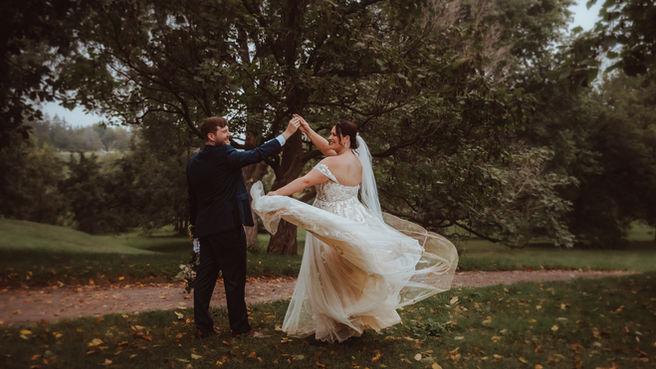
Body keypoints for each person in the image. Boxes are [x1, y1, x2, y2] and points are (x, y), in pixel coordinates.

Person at [251, 114, 458, 343]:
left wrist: (276, 193)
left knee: (330, 272)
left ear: (346, 139)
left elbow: (305, 182)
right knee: (351, 271)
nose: (329, 138)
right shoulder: (356, 159)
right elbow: (328, 149)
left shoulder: (329, 163)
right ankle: (350, 321)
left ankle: (339, 322)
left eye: (333, 135)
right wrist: (308, 131)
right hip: (355, 218)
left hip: (331, 221)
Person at [187, 116, 299, 338]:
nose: (228, 134)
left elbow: (192, 198)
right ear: (212, 136)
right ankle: (241, 329)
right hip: (228, 227)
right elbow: (257, 154)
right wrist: (286, 134)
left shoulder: (194, 162)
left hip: (206, 228)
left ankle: (203, 326)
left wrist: (194, 225)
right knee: (234, 278)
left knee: (205, 277)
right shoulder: (226, 155)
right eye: (224, 131)